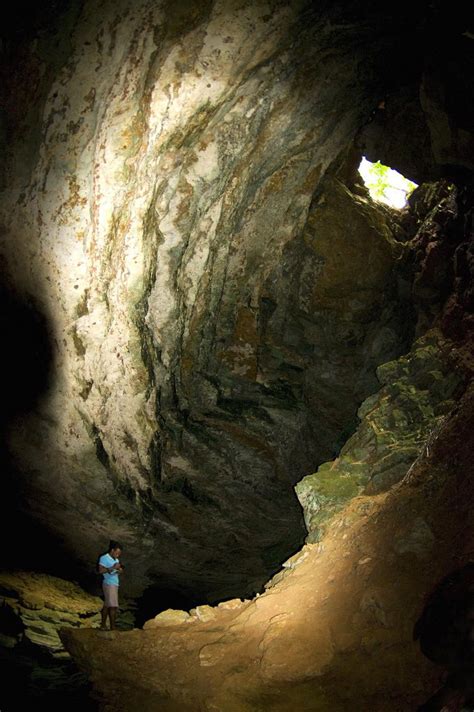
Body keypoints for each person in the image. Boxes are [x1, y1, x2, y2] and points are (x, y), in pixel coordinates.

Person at [98, 540, 124, 630]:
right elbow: (100, 571)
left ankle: (103, 625)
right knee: (113, 606)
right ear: (112, 550)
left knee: (107, 605)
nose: (118, 555)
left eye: (119, 554)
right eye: (117, 553)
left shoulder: (116, 559)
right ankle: (113, 627)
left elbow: (115, 571)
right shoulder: (104, 558)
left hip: (114, 583)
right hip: (109, 584)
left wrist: (119, 571)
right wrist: (113, 567)